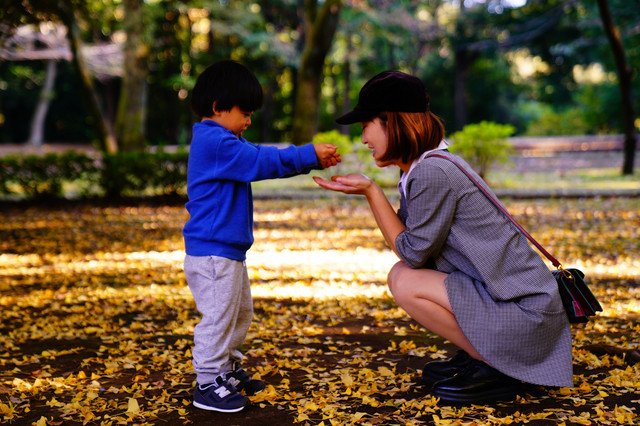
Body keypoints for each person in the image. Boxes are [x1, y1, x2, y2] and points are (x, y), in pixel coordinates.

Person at [314, 70, 573, 404]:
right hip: (521, 310)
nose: (364, 138)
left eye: (366, 125)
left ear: (393, 122)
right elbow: (413, 245)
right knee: (403, 275)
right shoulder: (428, 166)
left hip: (526, 318)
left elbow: (412, 254)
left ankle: (495, 366)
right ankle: (483, 356)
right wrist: (370, 190)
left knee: (405, 280)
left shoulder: (432, 172)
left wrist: (371, 191)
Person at [183, 60, 340, 413]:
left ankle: (226, 371)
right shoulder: (215, 142)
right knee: (219, 317)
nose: (249, 121)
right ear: (218, 107)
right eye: (245, 113)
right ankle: (206, 382)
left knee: (239, 315)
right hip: (212, 253)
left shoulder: (225, 140)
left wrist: (309, 159)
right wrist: (308, 154)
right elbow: (260, 161)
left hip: (228, 251)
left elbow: (258, 158)